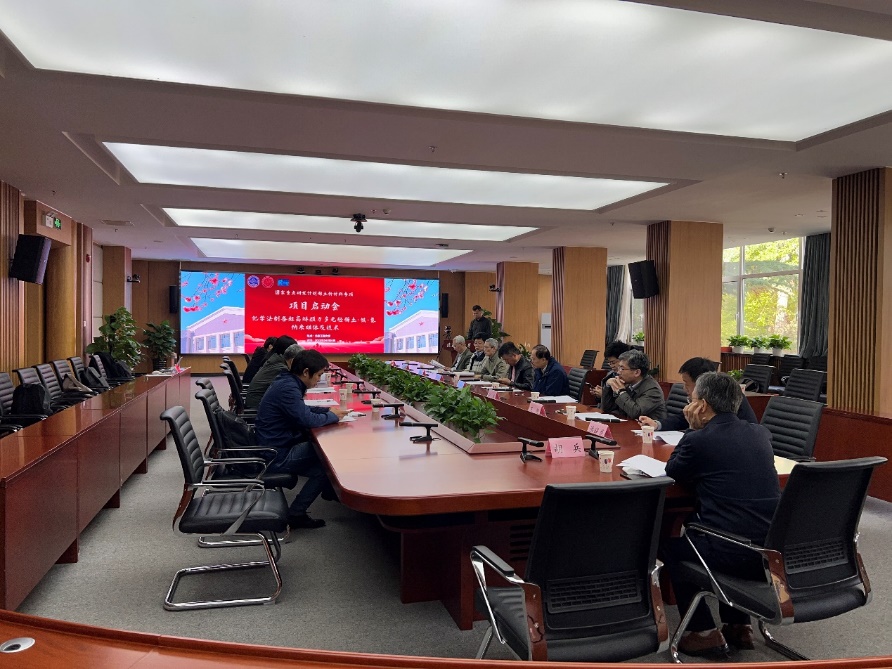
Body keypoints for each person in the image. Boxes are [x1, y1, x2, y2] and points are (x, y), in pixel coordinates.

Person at [662, 372, 780, 657]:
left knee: (669, 546)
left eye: (691, 400)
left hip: (733, 554)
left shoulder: (699, 440)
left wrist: (692, 430)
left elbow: (673, 471)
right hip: (771, 553)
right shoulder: (760, 433)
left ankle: (703, 632)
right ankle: (738, 625)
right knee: (723, 523)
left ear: (701, 405)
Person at [254, 349, 350, 529]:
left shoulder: (287, 382)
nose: (319, 379)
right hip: (276, 454)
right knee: (327, 457)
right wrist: (333, 417)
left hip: (275, 446)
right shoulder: (288, 388)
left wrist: (328, 411)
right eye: (319, 375)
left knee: (323, 467)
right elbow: (307, 420)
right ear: (306, 372)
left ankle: (301, 510)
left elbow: (302, 410)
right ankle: (321, 496)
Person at [640, 357, 757, 432]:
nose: (684, 388)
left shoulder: (727, 396)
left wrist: (693, 431)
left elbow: (722, 430)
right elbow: (683, 418)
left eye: (686, 383)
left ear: (700, 382)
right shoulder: (705, 395)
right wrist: (657, 424)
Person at [599, 349, 666, 420]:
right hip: (627, 424)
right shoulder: (627, 383)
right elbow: (607, 408)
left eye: (622, 369)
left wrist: (621, 392)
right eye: (619, 368)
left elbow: (635, 412)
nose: (618, 372)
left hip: (646, 426)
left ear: (637, 372)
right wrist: (608, 386)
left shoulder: (653, 390)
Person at [244, 336, 299, 409]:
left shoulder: (273, 359)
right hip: (257, 406)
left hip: (257, 402)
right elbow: (289, 389)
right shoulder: (279, 367)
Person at [593, 340, 631, 405]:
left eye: (613, 362)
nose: (611, 366)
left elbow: (624, 405)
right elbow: (603, 403)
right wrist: (598, 394)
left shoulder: (629, 378)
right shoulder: (610, 374)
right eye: (609, 363)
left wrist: (604, 395)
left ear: (623, 359)